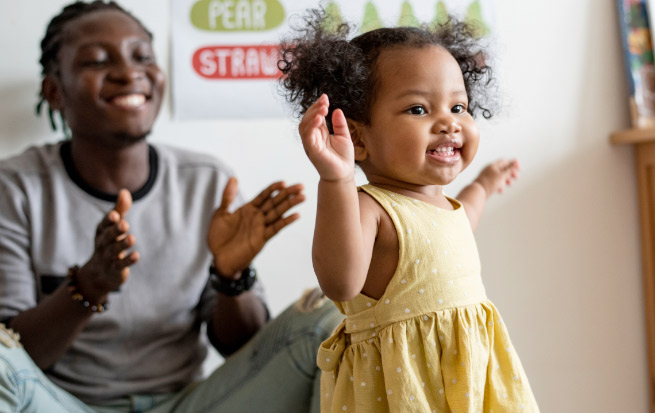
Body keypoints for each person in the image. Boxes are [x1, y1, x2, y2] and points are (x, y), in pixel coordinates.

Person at [0, 1, 342, 412]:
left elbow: (244, 347)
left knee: (326, 320)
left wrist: (230, 276)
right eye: (96, 61)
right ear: (55, 91)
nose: (129, 73)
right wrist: (87, 286)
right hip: (62, 404)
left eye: (142, 56)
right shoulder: (16, 187)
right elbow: (17, 356)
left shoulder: (207, 182)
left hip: (189, 404)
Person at [278, 9, 540, 412]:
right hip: (405, 392)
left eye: (458, 107)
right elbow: (341, 281)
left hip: (469, 386)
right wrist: (337, 180)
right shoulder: (371, 207)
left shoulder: (441, 204)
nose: (448, 124)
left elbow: (458, 225)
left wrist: (483, 186)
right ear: (359, 138)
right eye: (419, 110)